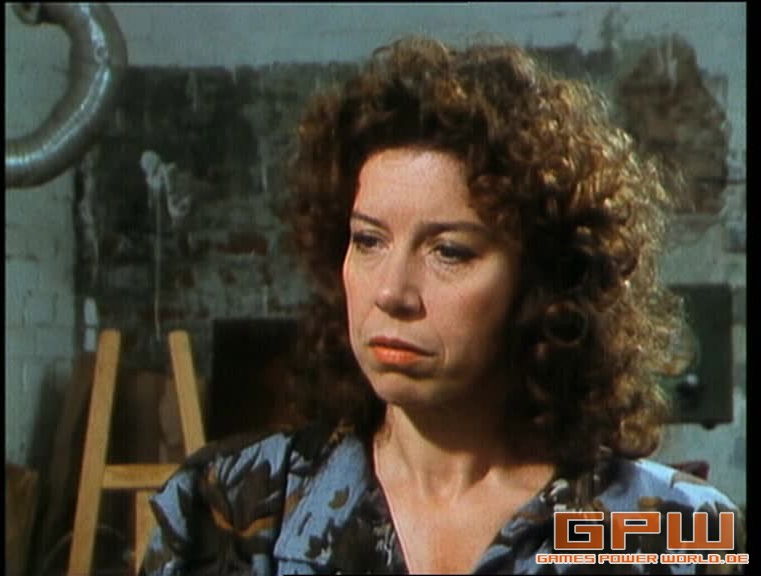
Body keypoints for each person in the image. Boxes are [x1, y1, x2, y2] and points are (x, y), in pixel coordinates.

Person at [139, 36, 745, 575]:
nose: (392, 292)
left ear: (543, 282)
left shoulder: (675, 533)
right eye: (368, 241)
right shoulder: (228, 510)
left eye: (449, 251)